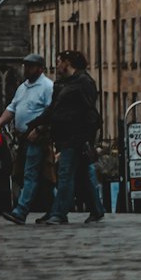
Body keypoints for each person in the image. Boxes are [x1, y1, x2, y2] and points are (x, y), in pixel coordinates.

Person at [41, 50, 105, 227]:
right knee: (82, 175)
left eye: (59, 61)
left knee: (65, 174)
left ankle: (59, 213)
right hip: (63, 137)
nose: (57, 66)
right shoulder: (62, 84)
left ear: (67, 63)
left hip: (76, 137)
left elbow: (90, 112)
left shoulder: (84, 82)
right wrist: (35, 125)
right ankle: (97, 210)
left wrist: (87, 139)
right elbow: (53, 110)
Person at [0, 53, 55, 225]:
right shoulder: (23, 87)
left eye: (30, 66)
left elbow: (51, 112)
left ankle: (20, 211)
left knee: (30, 174)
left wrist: (40, 129)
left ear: (40, 68)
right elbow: (12, 108)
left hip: (37, 137)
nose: (26, 69)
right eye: (25, 66)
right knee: (40, 177)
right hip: (23, 138)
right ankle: (54, 210)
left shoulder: (47, 87)